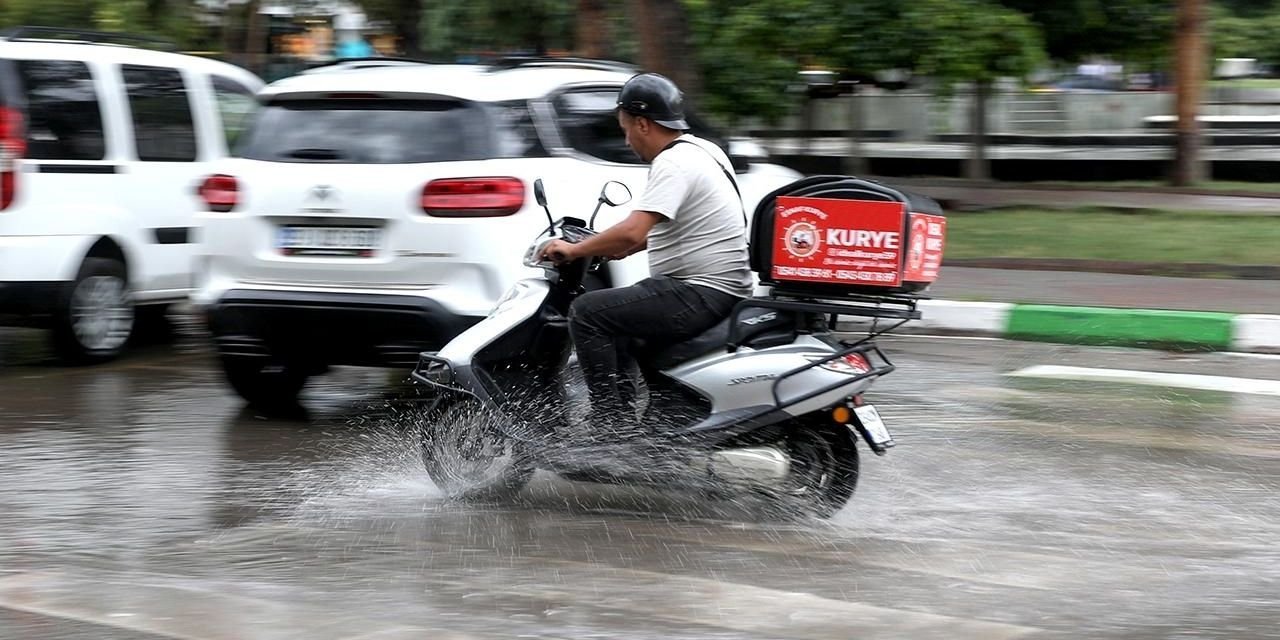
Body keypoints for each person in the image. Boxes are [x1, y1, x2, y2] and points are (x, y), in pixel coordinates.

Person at [539, 72, 752, 433]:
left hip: (700, 290)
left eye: (625, 129)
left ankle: (609, 426)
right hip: (720, 288)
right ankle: (649, 425)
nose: (626, 139)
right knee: (621, 315)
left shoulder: (673, 164)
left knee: (588, 313)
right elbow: (673, 228)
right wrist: (611, 249)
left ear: (641, 123)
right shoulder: (704, 150)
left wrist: (574, 249)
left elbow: (634, 229)